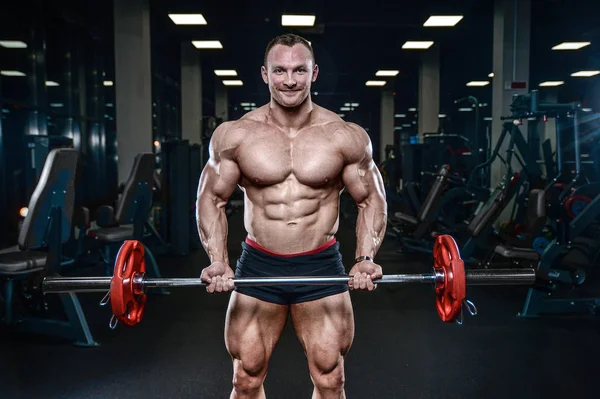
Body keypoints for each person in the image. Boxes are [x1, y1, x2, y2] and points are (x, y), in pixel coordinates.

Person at [196, 33, 387, 399]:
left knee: (330, 378)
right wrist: (218, 261)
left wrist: (364, 259)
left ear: (314, 73)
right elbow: (210, 198)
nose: (289, 80)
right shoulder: (235, 135)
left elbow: (371, 200)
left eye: (299, 70)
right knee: (245, 377)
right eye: (280, 70)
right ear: (264, 74)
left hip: (319, 265)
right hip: (260, 265)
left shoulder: (344, 136)